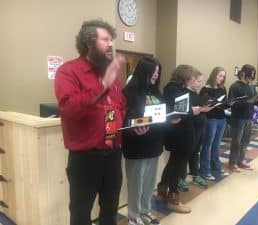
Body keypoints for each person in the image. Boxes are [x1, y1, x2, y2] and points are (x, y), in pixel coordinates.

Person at [54, 19, 126, 225]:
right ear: (89, 43)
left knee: (111, 208)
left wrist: (133, 124)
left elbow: (120, 106)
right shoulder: (68, 72)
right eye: (105, 40)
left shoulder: (112, 74)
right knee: (81, 212)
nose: (111, 44)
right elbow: (69, 109)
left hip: (113, 154)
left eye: (111, 40)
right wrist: (103, 84)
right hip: (85, 158)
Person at [156, 65, 210, 214]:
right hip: (177, 132)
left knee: (174, 163)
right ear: (184, 77)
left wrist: (198, 109)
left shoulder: (181, 89)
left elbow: (187, 106)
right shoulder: (172, 88)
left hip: (184, 131)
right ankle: (173, 198)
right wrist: (192, 110)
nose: (194, 80)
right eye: (192, 78)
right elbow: (175, 108)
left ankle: (162, 189)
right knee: (177, 165)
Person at [122, 57, 163, 225]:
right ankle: (133, 215)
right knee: (136, 182)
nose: (156, 75)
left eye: (158, 72)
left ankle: (145, 210)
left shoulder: (155, 92)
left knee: (149, 181)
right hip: (136, 146)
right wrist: (133, 128)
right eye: (154, 71)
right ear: (144, 71)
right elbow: (124, 119)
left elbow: (160, 113)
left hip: (154, 144)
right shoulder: (129, 92)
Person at [177, 68, 212, 192]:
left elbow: (199, 108)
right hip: (190, 128)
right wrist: (198, 110)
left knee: (195, 152)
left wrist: (205, 108)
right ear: (191, 80)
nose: (200, 84)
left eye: (201, 81)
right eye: (198, 81)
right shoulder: (184, 94)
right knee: (186, 153)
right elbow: (185, 112)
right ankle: (180, 178)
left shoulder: (196, 94)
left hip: (200, 127)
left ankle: (195, 175)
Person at [199, 67, 232, 180]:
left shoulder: (223, 89)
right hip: (210, 119)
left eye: (223, 76)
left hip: (222, 118)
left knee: (216, 145)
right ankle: (204, 170)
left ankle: (216, 167)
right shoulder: (205, 89)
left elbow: (224, 105)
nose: (222, 78)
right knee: (207, 145)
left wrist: (230, 104)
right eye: (220, 76)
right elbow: (203, 105)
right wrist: (213, 103)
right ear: (214, 75)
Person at [228, 64, 258, 172]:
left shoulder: (251, 87)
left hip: (248, 117)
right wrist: (248, 102)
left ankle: (241, 160)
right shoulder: (235, 86)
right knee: (236, 141)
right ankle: (233, 162)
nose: (252, 76)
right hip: (238, 118)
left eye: (253, 73)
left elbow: (255, 103)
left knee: (245, 141)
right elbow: (231, 103)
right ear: (244, 73)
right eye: (251, 73)